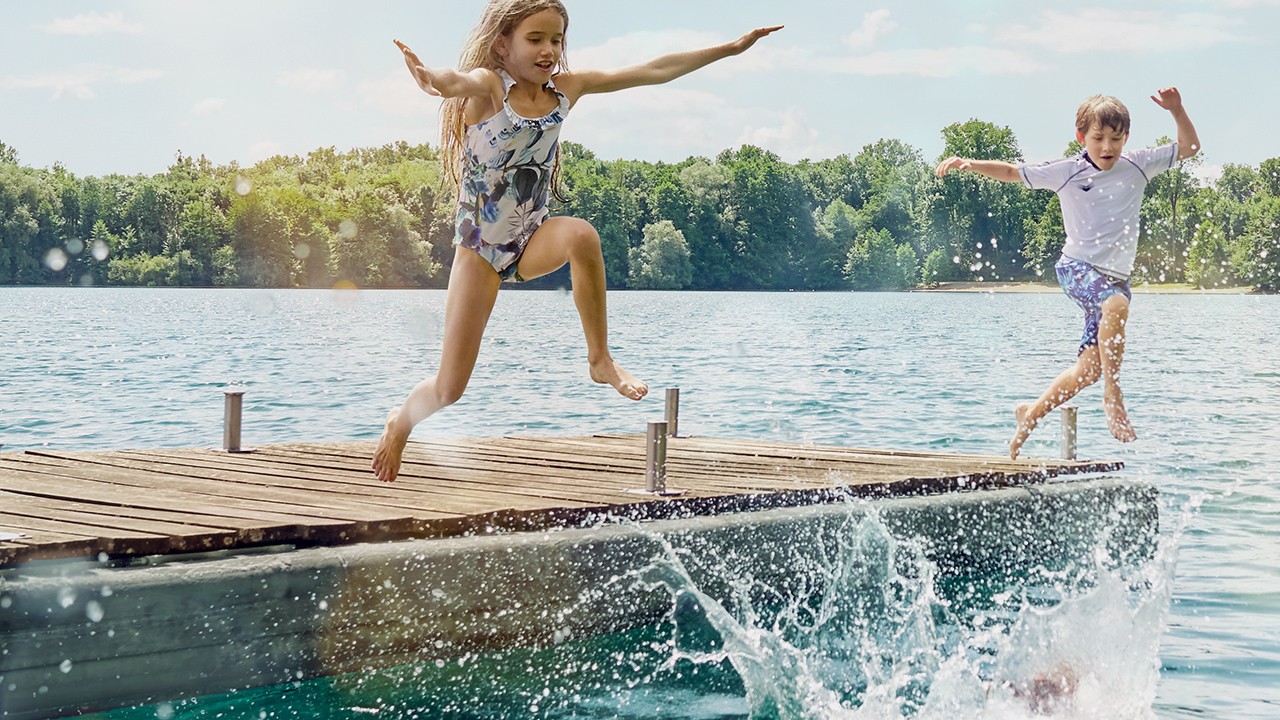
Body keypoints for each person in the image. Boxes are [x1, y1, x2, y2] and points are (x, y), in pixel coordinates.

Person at [373, 0, 781, 482]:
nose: (549, 50)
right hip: (480, 249)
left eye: (556, 39)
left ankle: (600, 360)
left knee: (582, 235)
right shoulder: (489, 88)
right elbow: (451, 82)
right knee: (449, 387)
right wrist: (429, 79)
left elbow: (652, 70)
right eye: (535, 39)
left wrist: (730, 49)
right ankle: (400, 422)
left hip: (532, 236)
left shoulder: (567, 90)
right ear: (502, 44)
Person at [936, 88, 1200, 459]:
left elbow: (1189, 148)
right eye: (1098, 139)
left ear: (1127, 138)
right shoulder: (1067, 171)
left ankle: (1031, 413)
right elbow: (1012, 172)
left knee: (1088, 369)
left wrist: (1177, 110)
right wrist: (971, 163)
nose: (1107, 147)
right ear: (1081, 137)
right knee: (1116, 304)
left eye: (1115, 138)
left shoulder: (1138, 164)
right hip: (1076, 268)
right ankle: (1114, 396)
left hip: (1115, 278)